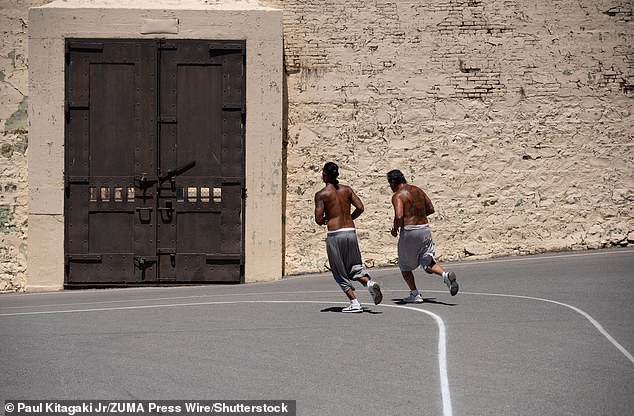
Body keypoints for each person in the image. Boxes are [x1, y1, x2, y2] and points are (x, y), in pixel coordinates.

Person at [314, 162, 382, 313]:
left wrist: (326, 219)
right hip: (350, 231)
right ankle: (369, 284)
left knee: (339, 270)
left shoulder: (321, 194)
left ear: (326, 174)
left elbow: (318, 219)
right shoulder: (347, 190)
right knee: (354, 266)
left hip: (335, 233)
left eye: (323, 173)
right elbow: (361, 207)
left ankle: (354, 302)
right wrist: (350, 217)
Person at [387, 169, 459, 303]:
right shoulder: (418, 191)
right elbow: (431, 208)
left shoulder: (398, 195)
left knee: (404, 264)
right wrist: (419, 216)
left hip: (410, 230)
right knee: (427, 260)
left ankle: (415, 294)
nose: (390, 188)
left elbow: (399, 215)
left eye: (389, 184)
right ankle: (445, 275)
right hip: (425, 228)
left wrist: (395, 229)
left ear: (393, 182)